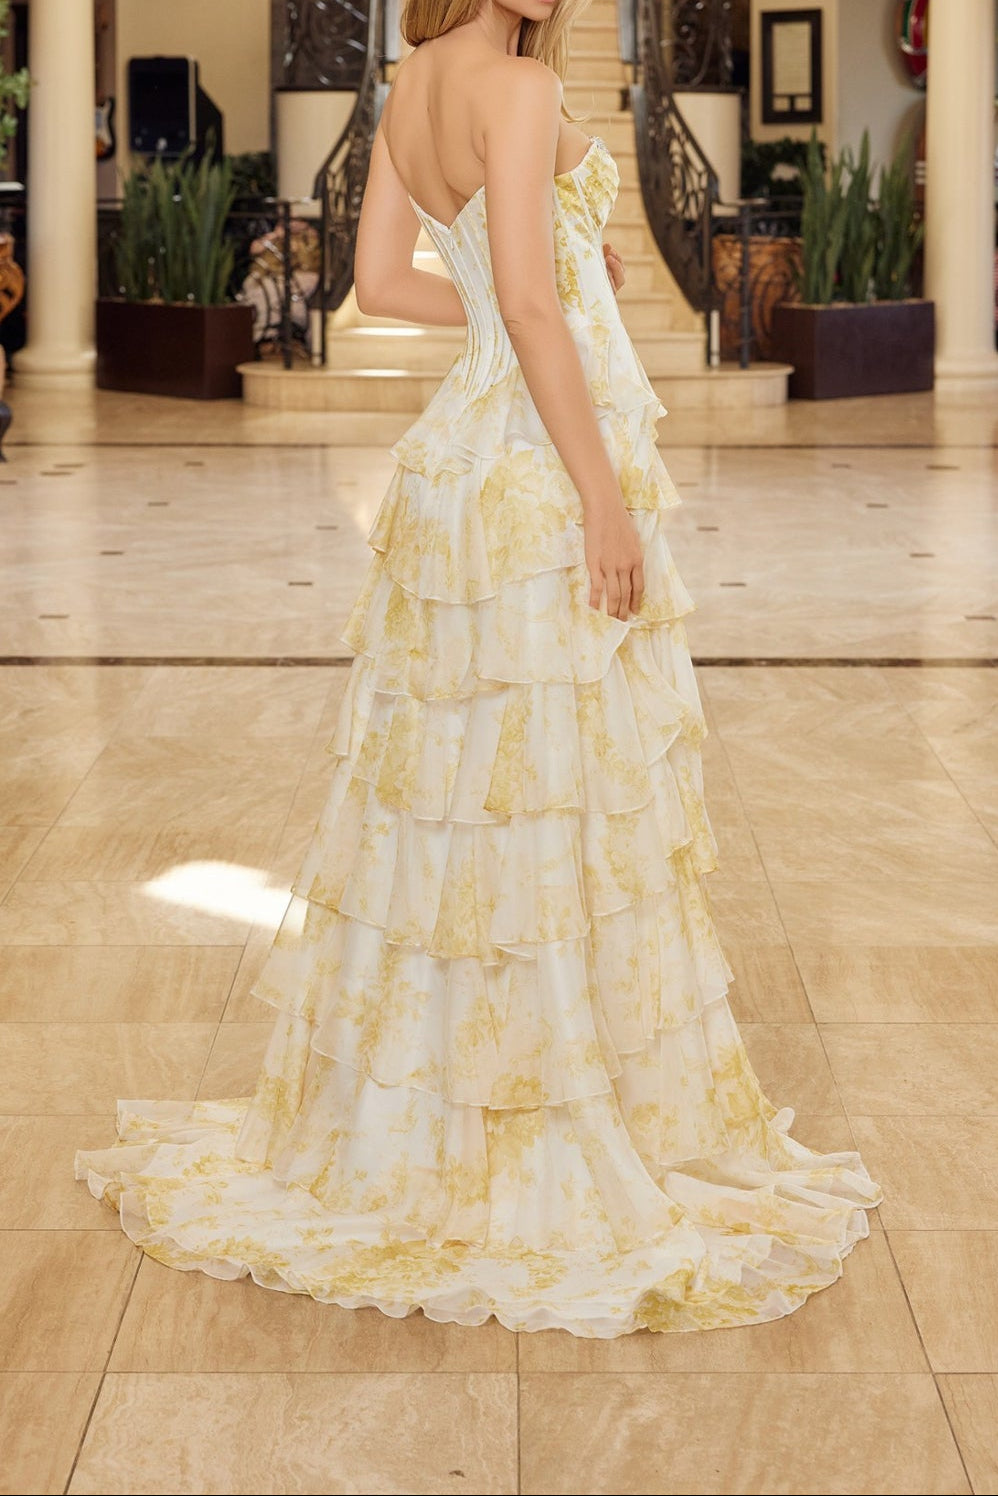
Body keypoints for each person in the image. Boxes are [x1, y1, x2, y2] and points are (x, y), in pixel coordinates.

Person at [76, 0, 881, 1337]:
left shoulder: (409, 88)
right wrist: (602, 494)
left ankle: (435, 1098)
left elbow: (388, 285)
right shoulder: (509, 87)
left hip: (460, 470)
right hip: (532, 484)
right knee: (553, 796)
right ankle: (544, 1099)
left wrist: (551, 299)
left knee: (457, 799)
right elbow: (516, 294)